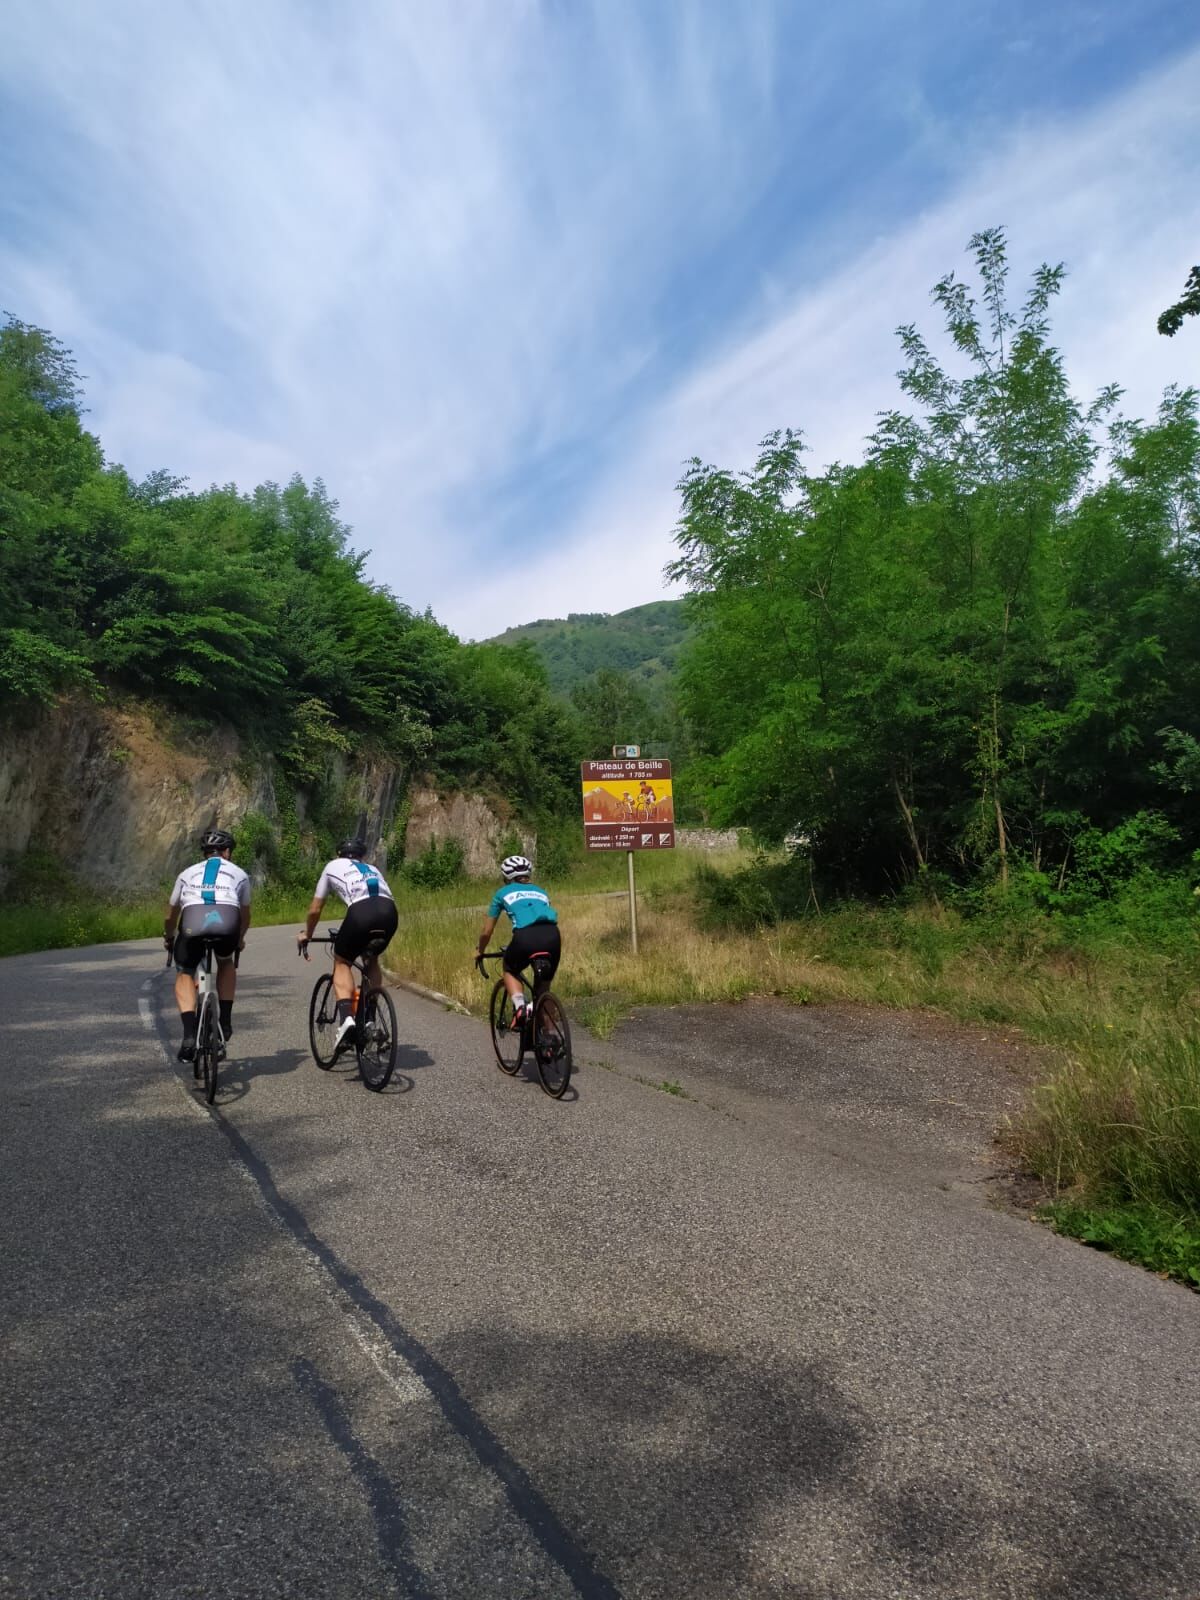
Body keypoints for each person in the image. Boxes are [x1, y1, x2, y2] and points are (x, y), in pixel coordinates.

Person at [297, 835, 399, 1050]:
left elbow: (315, 909)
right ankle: (370, 1019)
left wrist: (308, 933)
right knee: (372, 960)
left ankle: (346, 1021)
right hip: (389, 913)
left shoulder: (331, 866)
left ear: (339, 855)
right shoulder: (372, 868)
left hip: (361, 913)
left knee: (342, 961)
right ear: (362, 856)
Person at [164, 828, 251, 1062]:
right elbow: (245, 915)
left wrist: (169, 937)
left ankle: (188, 1036)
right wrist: (239, 938)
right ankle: (225, 1021)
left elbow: (171, 914)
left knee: (185, 972)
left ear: (205, 853)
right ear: (227, 852)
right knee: (225, 961)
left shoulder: (186, 873)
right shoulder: (240, 874)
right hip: (227, 921)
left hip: (192, 922)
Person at [474, 854, 560, 1029]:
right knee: (543, 989)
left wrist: (479, 950)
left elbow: (487, 931)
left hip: (525, 937)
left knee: (510, 968)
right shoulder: (541, 892)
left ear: (506, 877)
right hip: (553, 935)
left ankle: (520, 1007)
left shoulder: (502, 893)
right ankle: (550, 1037)